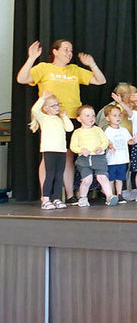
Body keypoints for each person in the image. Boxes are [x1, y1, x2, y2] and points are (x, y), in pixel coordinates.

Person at [17, 39, 107, 202]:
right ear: (55, 51)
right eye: (66, 49)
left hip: (70, 118)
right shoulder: (44, 68)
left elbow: (100, 80)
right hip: (51, 119)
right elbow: (22, 79)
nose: (69, 53)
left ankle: (70, 195)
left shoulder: (74, 69)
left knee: (68, 156)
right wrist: (31, 58)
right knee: (49, 157)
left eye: (71, 50)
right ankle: (46, 197)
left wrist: (92, 64)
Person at [30, 93, 73, 209]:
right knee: (50, 174)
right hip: (49, 150)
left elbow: (70, 128)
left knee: (59, 175)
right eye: (54, 106)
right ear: (46, 108)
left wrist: (64, 117)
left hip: (61, 151)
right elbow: (34, 110)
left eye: (58, 105)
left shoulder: (60, 119)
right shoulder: (44, 118)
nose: (57, 108)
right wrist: (42, 98)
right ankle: (46, 199)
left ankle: (57, 198)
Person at [70, 104, 118, 207]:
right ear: (79, 119)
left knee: (103, 177)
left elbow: (105, 141)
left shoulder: (98, 129)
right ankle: (82, 197)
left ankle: (110, 196)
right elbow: (73, 146)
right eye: (87, 116)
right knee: (87, 179)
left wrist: (101, 147)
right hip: (84, 159)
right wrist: (81, 150)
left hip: (98, 158)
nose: (91, 118)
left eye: (93, 115)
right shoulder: (77, 132)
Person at [102, 103, 132, 202]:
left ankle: (119, 194)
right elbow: (105, 142)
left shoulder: (124, 130)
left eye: (119, 115)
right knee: (111, 179)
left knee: (120, 178)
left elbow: (129, 141)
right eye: (114, 115)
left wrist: (135, 140)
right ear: (107, 118)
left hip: (122, 159)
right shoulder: (107, 131)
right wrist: (110, 145)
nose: (118, 117)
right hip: (112, 160)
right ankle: (110, 195)